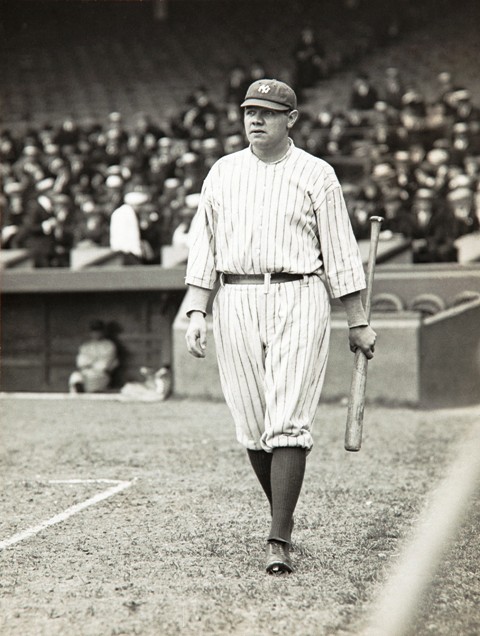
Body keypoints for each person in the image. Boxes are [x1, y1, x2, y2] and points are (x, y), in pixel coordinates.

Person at [184, 79, 376, 575]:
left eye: (268, 112)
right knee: (252, 424)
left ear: (290, 119)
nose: (256, 119)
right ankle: (283, 515)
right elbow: (203, 249)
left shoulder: (317, 173)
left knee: (288, 418)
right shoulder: (223, 172)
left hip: (298, 293)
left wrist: (357, 320)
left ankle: (278, 539)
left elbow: (340, 252)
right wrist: (197, 310)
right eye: (250, 110)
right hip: (236, 295)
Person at [69, 320, 119, 393]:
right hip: (86, 373)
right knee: (75, 377)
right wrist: (94, 361)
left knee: (92, 383)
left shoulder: (109, 345)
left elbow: (105, 364)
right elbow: (81, 362)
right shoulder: (86, 346)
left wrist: (90, 361)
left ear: (103, 331)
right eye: (93, 331)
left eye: (98, 331)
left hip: (101, 374)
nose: (96, 333)